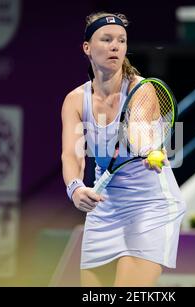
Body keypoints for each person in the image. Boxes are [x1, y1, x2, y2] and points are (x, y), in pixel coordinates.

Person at [61, 12, 186, 287]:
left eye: (121, 40)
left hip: (149, 206)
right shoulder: (74, 100)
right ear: (87, 48)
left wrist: (149, 150)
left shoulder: (142, 90)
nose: (115, 46)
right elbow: (71, 154)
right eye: (106, 39)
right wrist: (75, 188)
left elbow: (139, 134)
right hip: (105, 209)